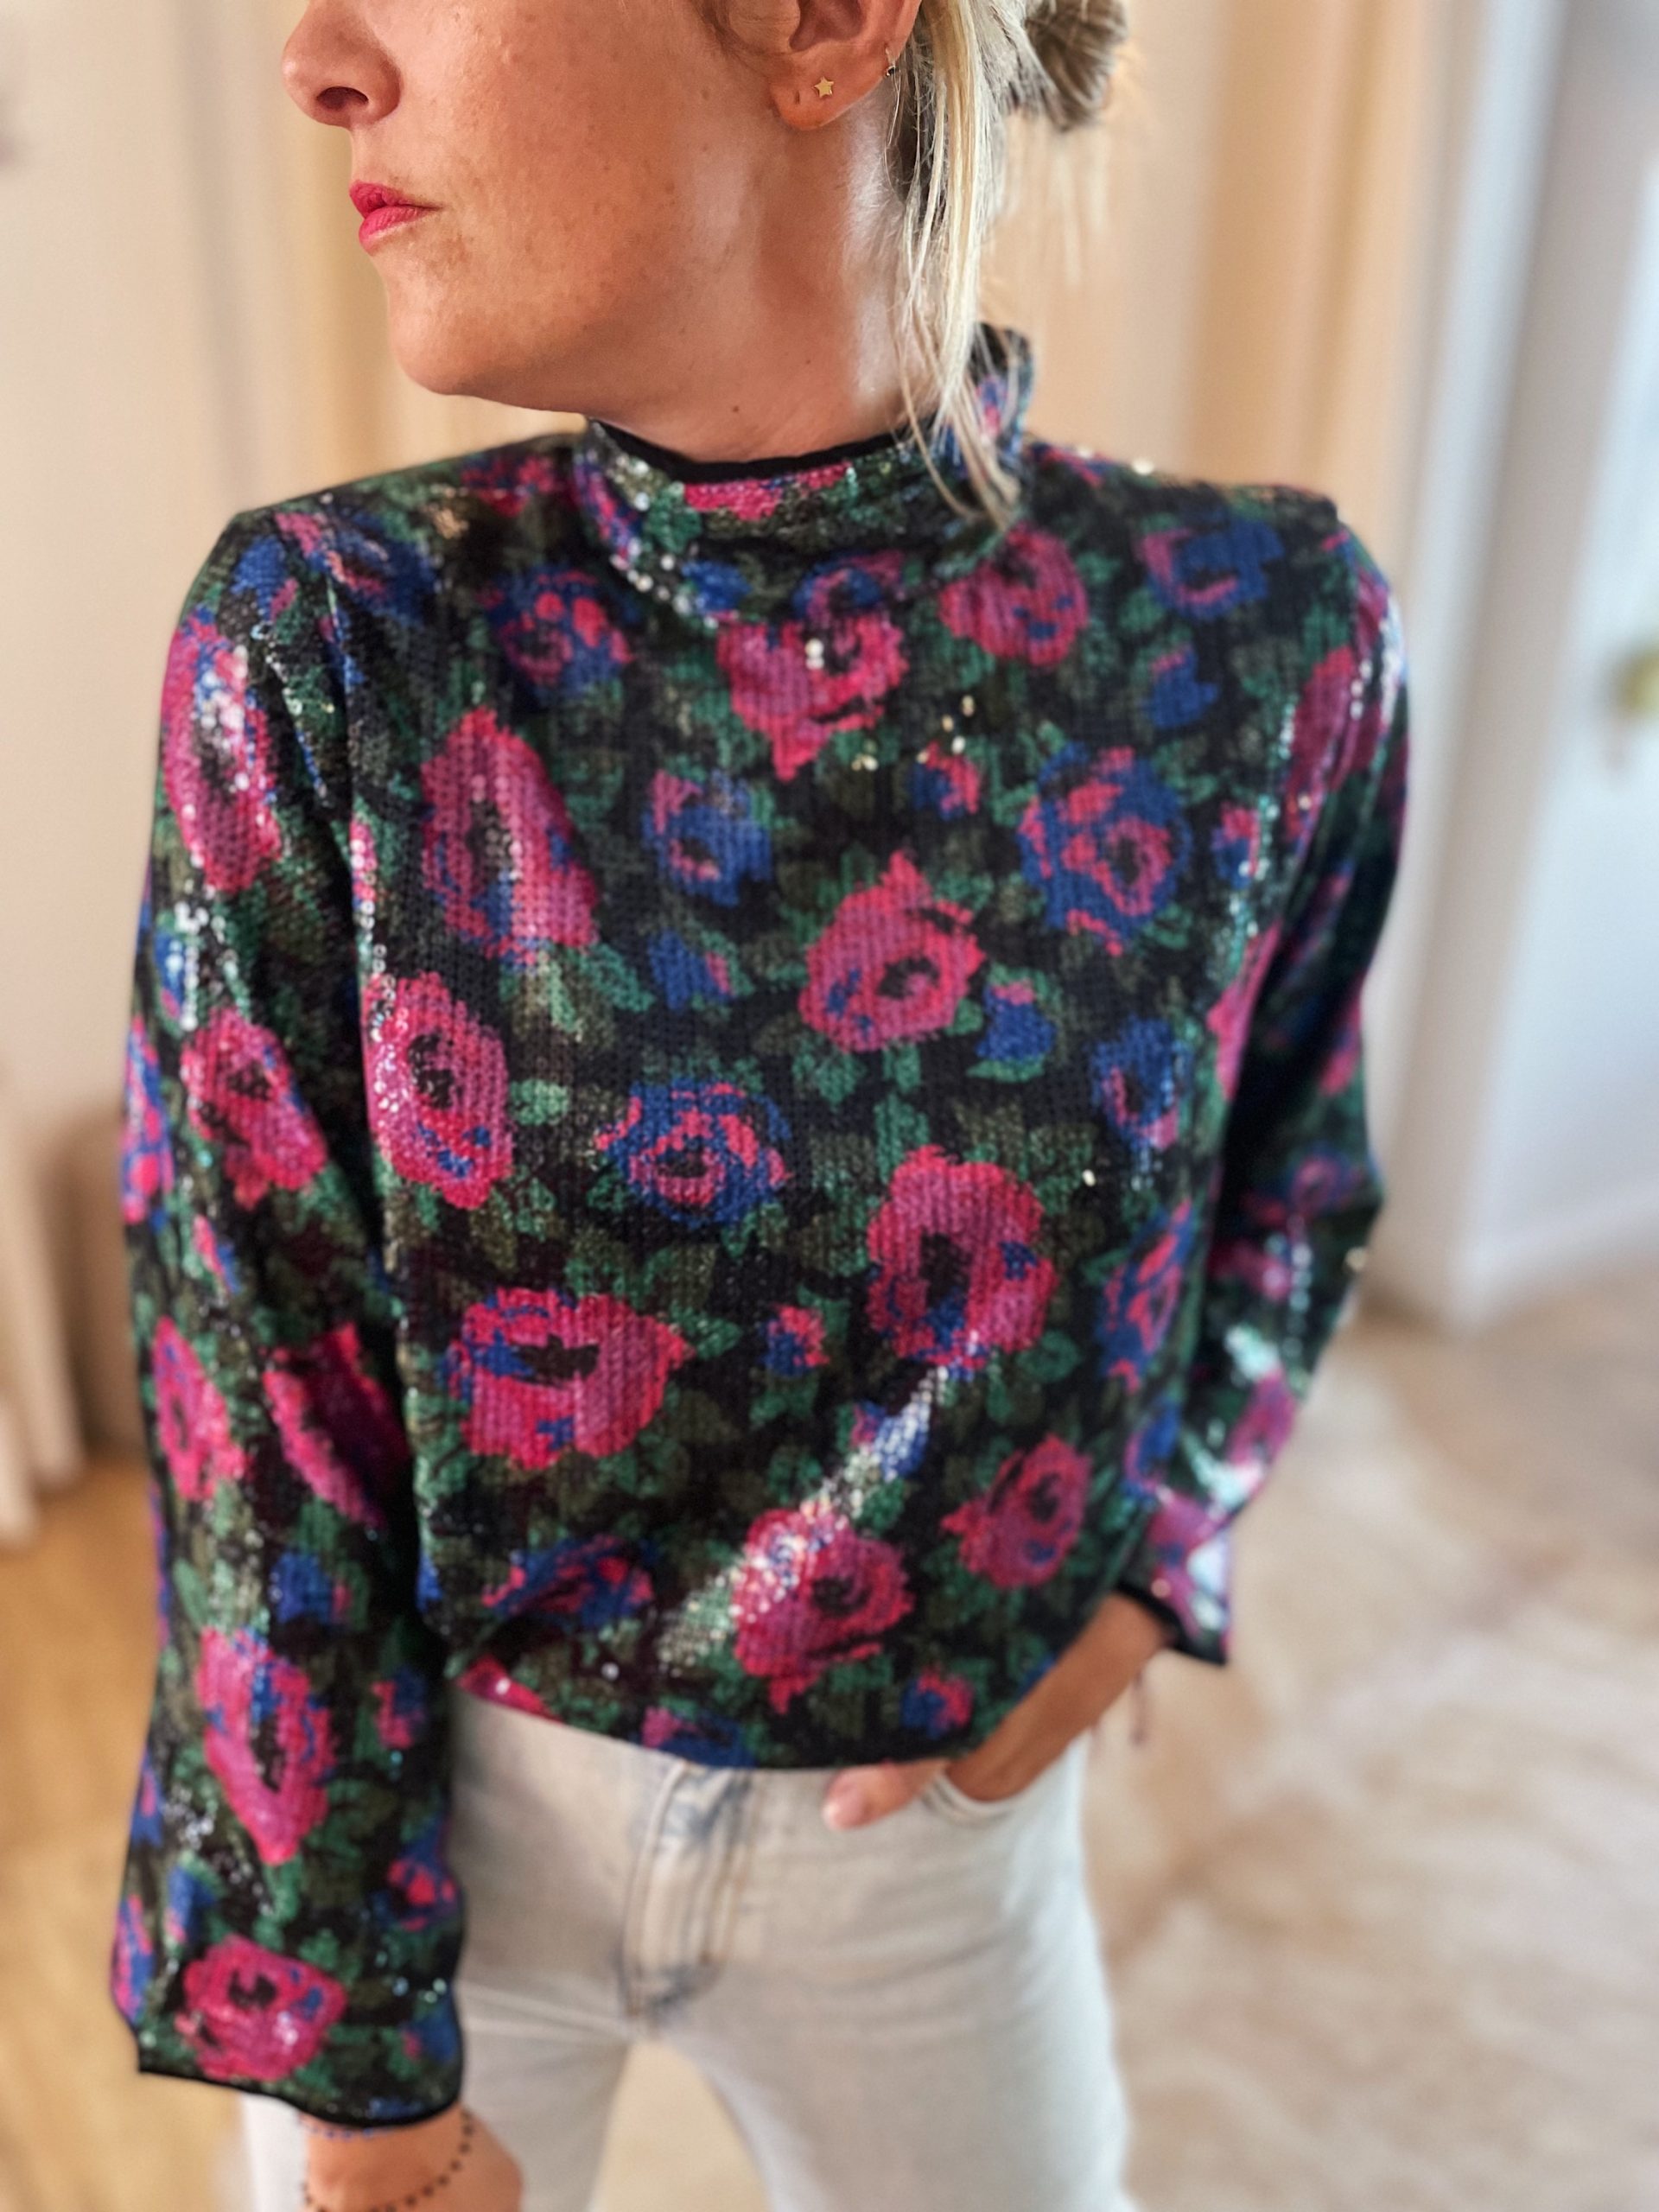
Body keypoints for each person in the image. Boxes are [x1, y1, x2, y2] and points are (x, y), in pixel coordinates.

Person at [105, 1, 1411, 2208]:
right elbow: (255, 1387)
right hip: (442, 1825)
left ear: (821, 21)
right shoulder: (330, 642)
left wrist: (1160, 1553)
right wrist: (348, 2061)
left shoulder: (1261, 640)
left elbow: (1294, 1167)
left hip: (930, 1834)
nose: (317, 55)